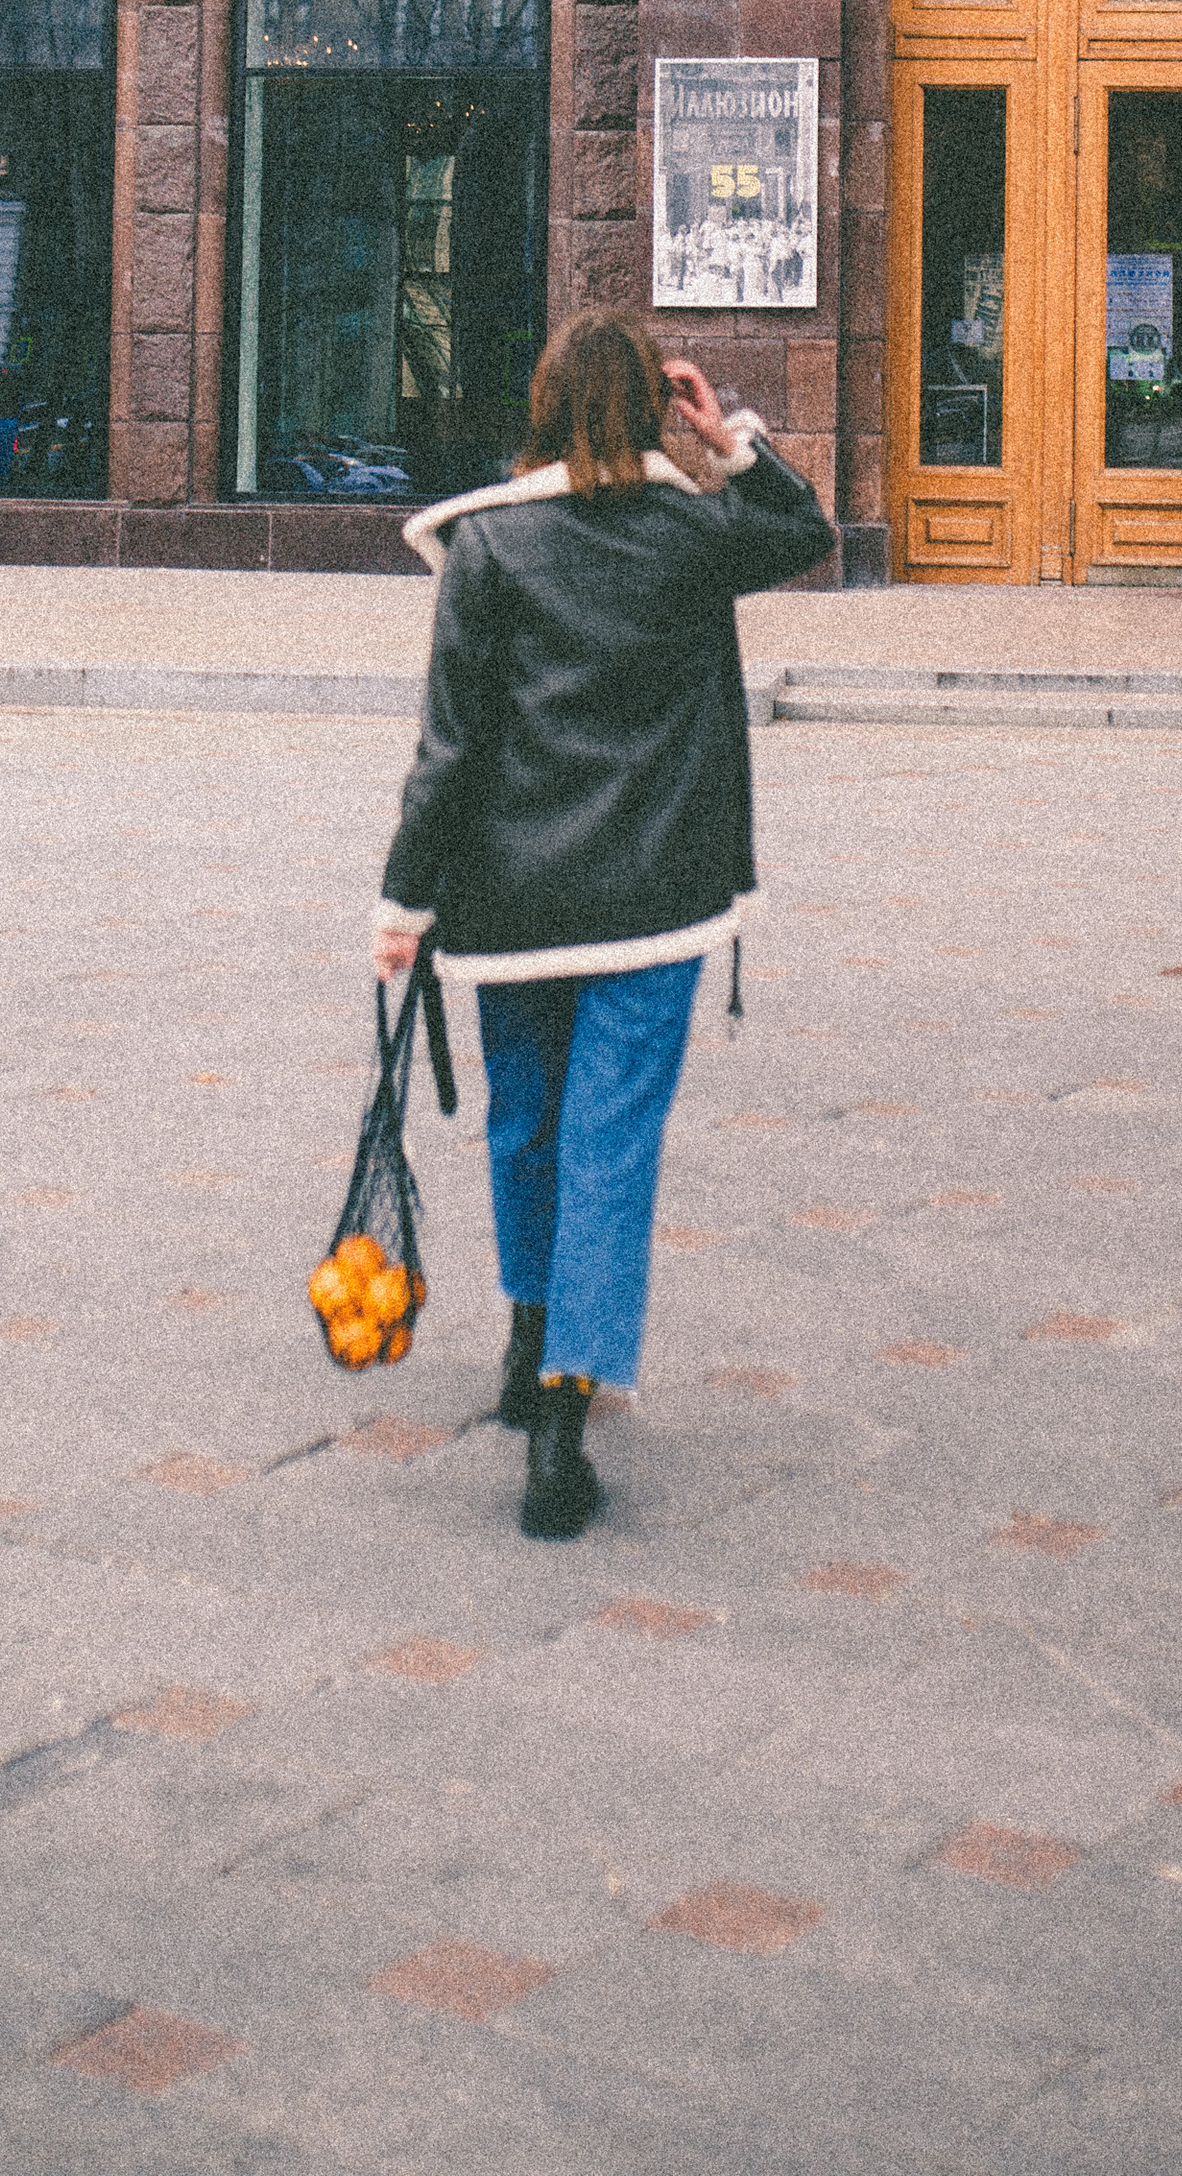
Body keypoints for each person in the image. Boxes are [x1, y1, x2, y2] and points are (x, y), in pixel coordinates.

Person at [373, 308, 835, 1538]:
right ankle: (568, 1412)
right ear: (649, 406)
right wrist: (723, 428)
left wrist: (403, 900)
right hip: (651, 899)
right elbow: (805, 532)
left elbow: (450, 744)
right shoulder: (696, 531)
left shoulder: (487, 547)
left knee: (524, 1120)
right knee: (609, 1144)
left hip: (511, 899)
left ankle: (527, 1341)